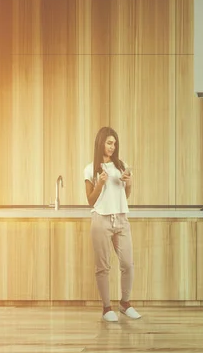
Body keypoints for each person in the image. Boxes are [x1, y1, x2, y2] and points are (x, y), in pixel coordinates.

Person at [84, 126, 141, 322]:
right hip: (101, 219)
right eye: (109, 142)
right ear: (101, 143)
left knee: (128, 264)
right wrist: (100, 183)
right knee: (103, 267)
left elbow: (124, 196)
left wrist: (130, 182)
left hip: (121, 219)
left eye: (114, 143)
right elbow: (90, 201)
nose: (112, 146)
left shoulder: (121, 165)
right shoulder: (90, 168)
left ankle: (125, 304)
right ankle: (107, 308)